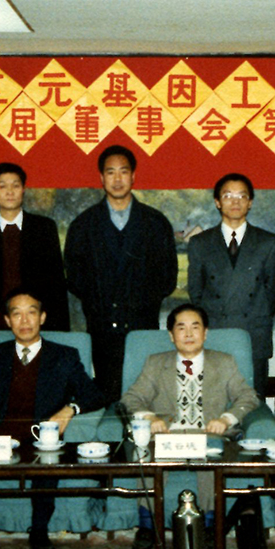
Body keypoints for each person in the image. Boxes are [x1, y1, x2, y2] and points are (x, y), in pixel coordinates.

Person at [0, 288, 106, 549]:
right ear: (8, 320)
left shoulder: (64, 355)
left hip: (42, 434)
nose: (25, 320)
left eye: (31, 312)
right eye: (16, 314)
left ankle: (39, 531)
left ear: (42, 317)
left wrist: (70, 409)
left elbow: (95, 394)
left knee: (47, 460)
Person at [119, 303, 260, 549]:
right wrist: (150, 417)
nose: (188, 334)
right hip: (167, 434)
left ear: (205, 333)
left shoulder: (224, 362)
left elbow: (248, 396)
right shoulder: (155, 363)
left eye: (195, 327)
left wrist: (226, 419)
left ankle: (209, 527)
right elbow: (131, 399)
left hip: (208, 433)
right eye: (181, 328)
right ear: (171, 335)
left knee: (210, 454)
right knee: (145, 453)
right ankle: (147, 527)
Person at [64, 144, 178, 403]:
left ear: (133, 176)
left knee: (146, 398)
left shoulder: (155, 222)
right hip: (103, 329)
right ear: (101, 178)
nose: (117, 179)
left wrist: (137, 302)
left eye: (123, 172)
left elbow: (167, 278)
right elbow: (75, 279)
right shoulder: (83, 224)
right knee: (109, 398)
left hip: (142, 327)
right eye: (111, 172)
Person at [186, 172, 275, 394]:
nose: (235, 201)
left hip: (253, 334)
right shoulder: (200, 243)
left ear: (250, 202)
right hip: (216, 332)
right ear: (217, 202)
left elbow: (273, 291)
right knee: (213, 400)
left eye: (242, 196)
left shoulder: (268, 242)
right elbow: (196, 291)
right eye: (228, 195)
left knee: (253, 401)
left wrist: (255, 314)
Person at [0, 162, 68, 343]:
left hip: (37, 327)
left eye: (15, 186)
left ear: (23, 189)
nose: (10, 192)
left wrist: (61, 332)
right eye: (3, 186)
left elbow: (57, 285)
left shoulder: (44, 228)